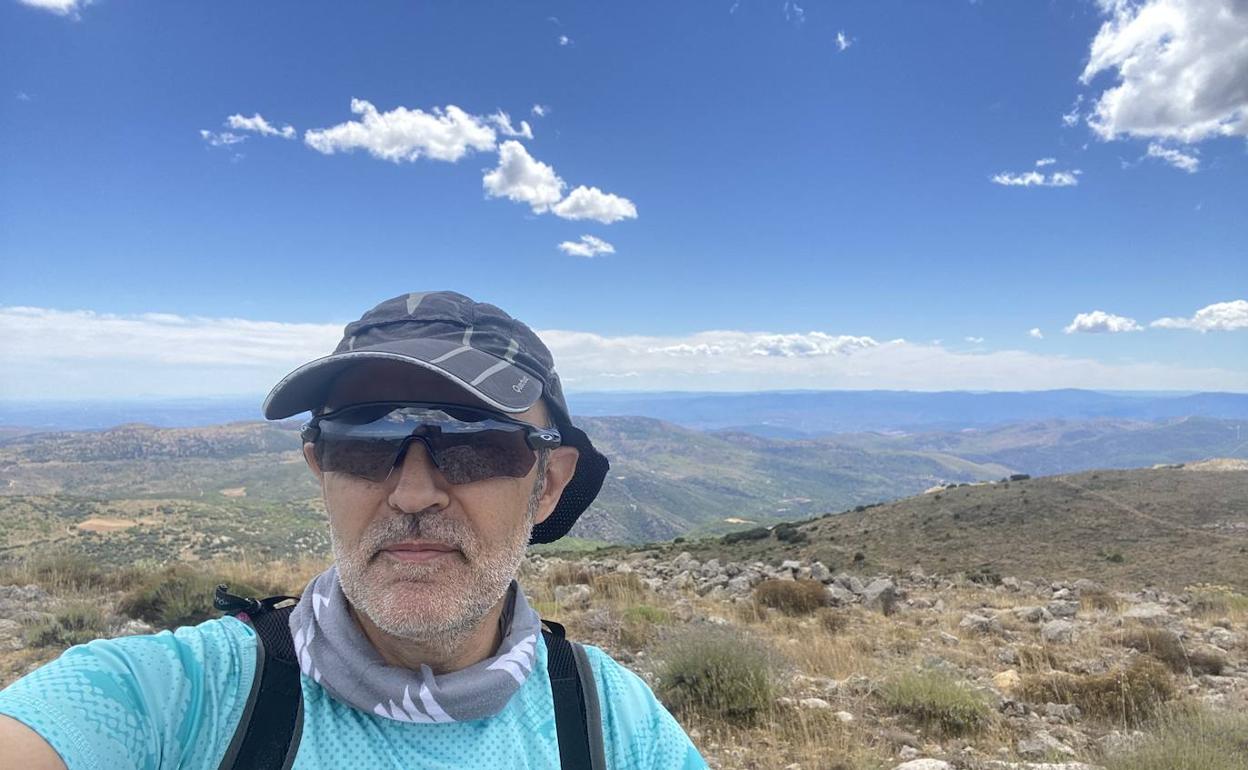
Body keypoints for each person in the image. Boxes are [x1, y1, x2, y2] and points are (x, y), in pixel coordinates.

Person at [0, 291, 708, 769]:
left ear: (546, 484)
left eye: (476, 442)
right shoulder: (179, 697)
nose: (415, 491)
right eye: (364, 441)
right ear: (321, 469)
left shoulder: (615, 725)